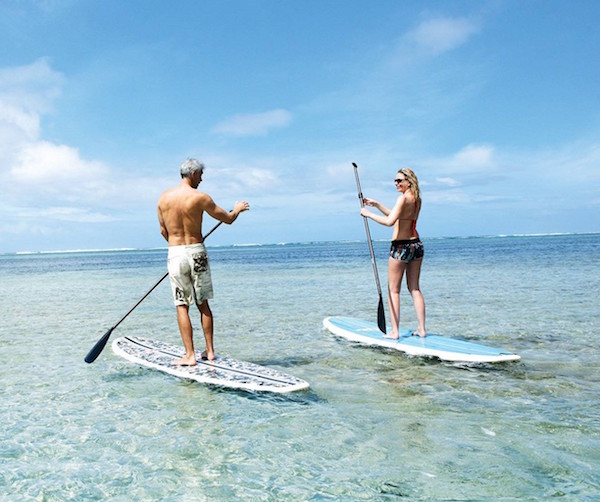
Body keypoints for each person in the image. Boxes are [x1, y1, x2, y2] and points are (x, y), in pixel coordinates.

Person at [157, 158, 250, 365]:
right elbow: (228, 219)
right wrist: (237, 209)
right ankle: (209, 351)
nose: (201, 179)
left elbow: (163, 231)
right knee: (203, 303)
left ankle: (189, 355)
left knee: (182, 305)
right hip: (197, 252)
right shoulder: (200, 197)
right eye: (200, 175)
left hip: (175, 253)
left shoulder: (163, 199)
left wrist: (177, 247)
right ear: (192, 174)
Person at [360, 167, 426, 338]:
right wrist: (377, 205)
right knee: (415, 288)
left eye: (399, 180)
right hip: (416, 245)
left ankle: (395, 332)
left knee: (393, 290)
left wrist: (368, 214)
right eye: (395, 181)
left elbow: (390, 222)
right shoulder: (417, 198)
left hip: (400, 247)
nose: (396, 184)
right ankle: (422, 329)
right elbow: (398, 217)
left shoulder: (403, 198)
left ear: (408, 181)